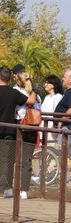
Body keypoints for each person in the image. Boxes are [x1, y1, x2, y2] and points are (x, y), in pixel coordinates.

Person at [0, 66, 35, 198]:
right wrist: (31, 87)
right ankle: (6, 188)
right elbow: (31, 101)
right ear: (9, 79)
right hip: (8, 131)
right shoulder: (13, 93)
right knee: (6, 160)